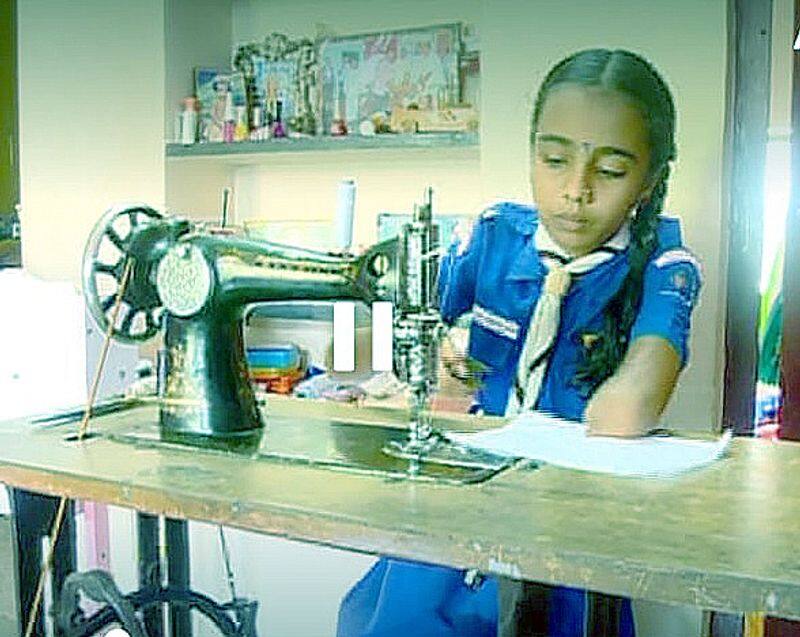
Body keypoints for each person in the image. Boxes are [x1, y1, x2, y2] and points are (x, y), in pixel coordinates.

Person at [337, 48, 702, 637]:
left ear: (649, 180)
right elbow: (384, 327)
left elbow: (625, 410)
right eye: (554, 159)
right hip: (467, 504)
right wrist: (431, 355)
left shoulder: (666, 265)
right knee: (392, 616)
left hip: (570, 526)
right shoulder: (492, 237)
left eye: (609, 171)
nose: (575, 191)